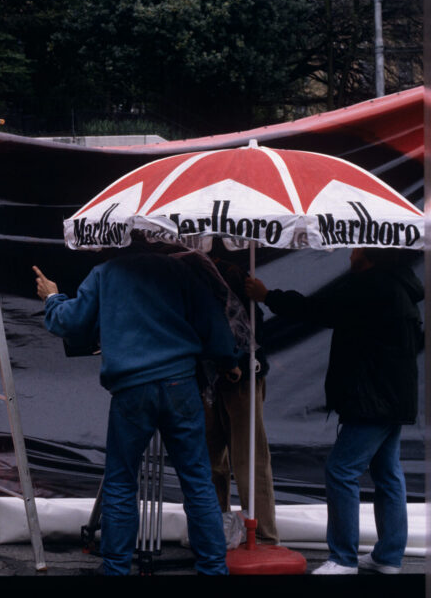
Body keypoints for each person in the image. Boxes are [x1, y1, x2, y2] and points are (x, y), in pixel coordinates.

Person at [34, 245, 238, 576]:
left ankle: (116, 570)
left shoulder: (105, 273)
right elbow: (213, 323)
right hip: (180, 384)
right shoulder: (181, 271)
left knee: (121, 480)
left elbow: (70, 323)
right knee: (198, 480)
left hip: (132, 389)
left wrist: (52, 297)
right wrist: (229, 361)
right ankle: (214, 569)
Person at [245, 247, 422, 575]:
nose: (350, 254)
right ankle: (388, 557)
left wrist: (267, 295)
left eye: (356, 250)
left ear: (369, 256)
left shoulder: (369, 286)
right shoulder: (401, 287)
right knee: (387, 474)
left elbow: (316, 309)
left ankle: (342, 558)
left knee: (341, 470)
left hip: (372, 400)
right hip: (395, 398)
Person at [203, 256, 279, 545]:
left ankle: (260, 534)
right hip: (217, 375)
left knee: (247, 458)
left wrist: (233, 361)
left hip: (238, 374)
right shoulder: (211, 267)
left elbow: (246, 325)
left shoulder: (227, 270)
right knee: (216, 459)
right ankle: (219, 529)